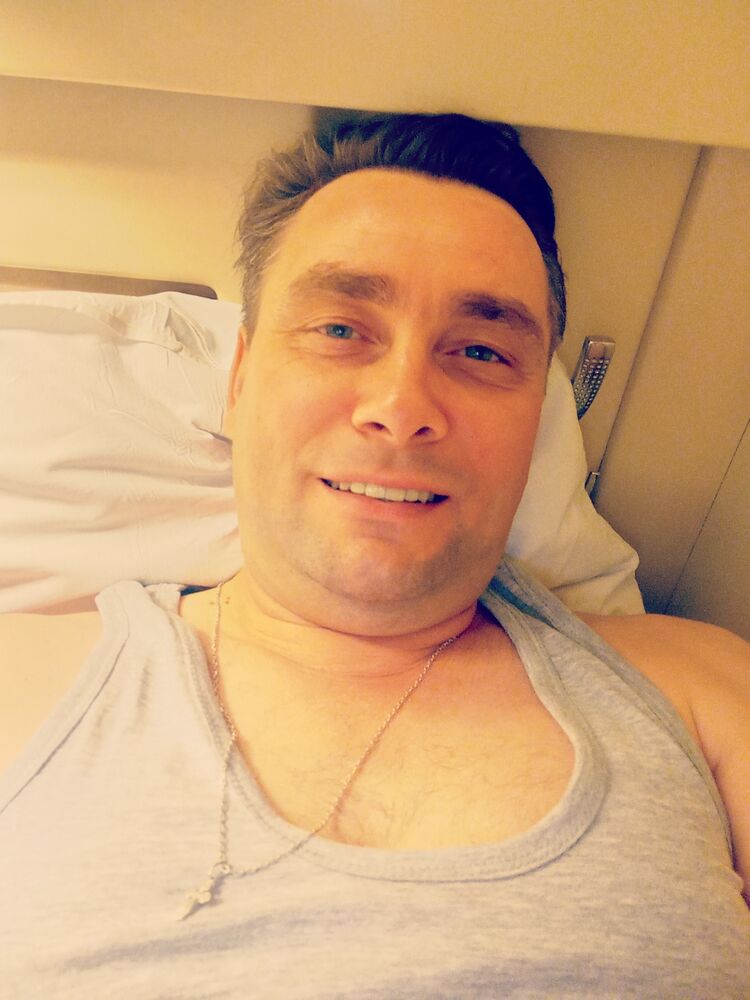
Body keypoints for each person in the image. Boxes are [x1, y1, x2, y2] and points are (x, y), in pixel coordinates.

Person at [1, 114, 748, 998]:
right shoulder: (27, 683)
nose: (402, 406)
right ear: (238, 380)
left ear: (536, 420)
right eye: (339, 331)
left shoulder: (700, 689)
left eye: (481, 350)